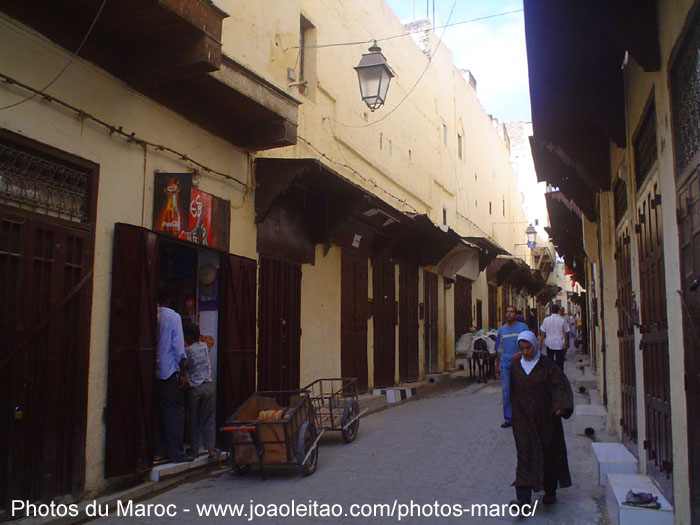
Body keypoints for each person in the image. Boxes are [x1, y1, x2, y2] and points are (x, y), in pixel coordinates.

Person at [509, 330, 574, 506]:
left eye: (528, 348)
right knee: (524, 455)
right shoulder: (515, 367)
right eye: (521, 349)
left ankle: (550, 490)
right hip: (522, 419)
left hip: (546, 418)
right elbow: (512, 392)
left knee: (548, 453)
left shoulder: (548, 366)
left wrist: (560, 406)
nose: (525, 352)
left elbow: (558, 386)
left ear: (535, 346)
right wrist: (511, 415)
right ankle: (522, 498)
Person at [155, 286, 192, 463]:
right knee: (175, 413)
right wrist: (183, 373)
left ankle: (159, 451)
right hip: (169, 370)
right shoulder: (173, 316)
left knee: (157, 412)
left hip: (154, 371)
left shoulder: (153, 314)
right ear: (169, 300)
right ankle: (175, 452)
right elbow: (179, 348)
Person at [183, 323, 218, 459]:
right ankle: (211, 449)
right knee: (208, 419)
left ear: (189, 337)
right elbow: (209, 342)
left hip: (195, 388)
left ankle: (194, 449)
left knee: (194, 420)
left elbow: (184, 365)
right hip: (208, 386)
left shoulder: (188, 351)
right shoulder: (204, 347)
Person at [494, 306, 528, 428]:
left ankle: (523, 416)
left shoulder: (522, 328)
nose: (509, 314)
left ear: (515, 314)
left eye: (511, 312)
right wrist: (497, 365)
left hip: (521, 364)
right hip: (505, 365)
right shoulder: (502, 330)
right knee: (506, 391)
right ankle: (508, 418)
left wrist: (519, 354)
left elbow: (528, 345)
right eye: (507, 312)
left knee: (521, 390)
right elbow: (499, 349)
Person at [538, 304, 570, 371]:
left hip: (549, 343)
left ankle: (551, 375)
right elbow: (566, 332)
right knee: (560, 363)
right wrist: (566, 342)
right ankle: (560, 376)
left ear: (551, 310)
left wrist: (540, 343)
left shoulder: (546, 320)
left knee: (550, 361)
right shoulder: (562, 320)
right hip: (560, 344)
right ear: (558, 311)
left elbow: (543, 333)